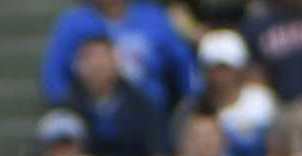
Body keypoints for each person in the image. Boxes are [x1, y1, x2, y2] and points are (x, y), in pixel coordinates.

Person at [39, 0, 196, 112]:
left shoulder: (153, 16)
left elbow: (183, 64)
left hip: (150, 112)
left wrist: (188, 103)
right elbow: (53, 75)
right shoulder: (73, 22)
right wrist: (67, 109)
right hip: (91, 112)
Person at [62, 32, 170, 156]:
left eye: (102, 58)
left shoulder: (142, 103)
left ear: (116, 62)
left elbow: (159, 153)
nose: (97, 66)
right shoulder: (66, 107)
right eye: (89, 59)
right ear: (78, 65)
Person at [171, 28, 273, 156]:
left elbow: (276, 152)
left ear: (240, 68)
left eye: (225, 67)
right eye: (212, 68)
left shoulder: (261, 103)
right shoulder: (189, 108)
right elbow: (180, 155)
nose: (218, 75)